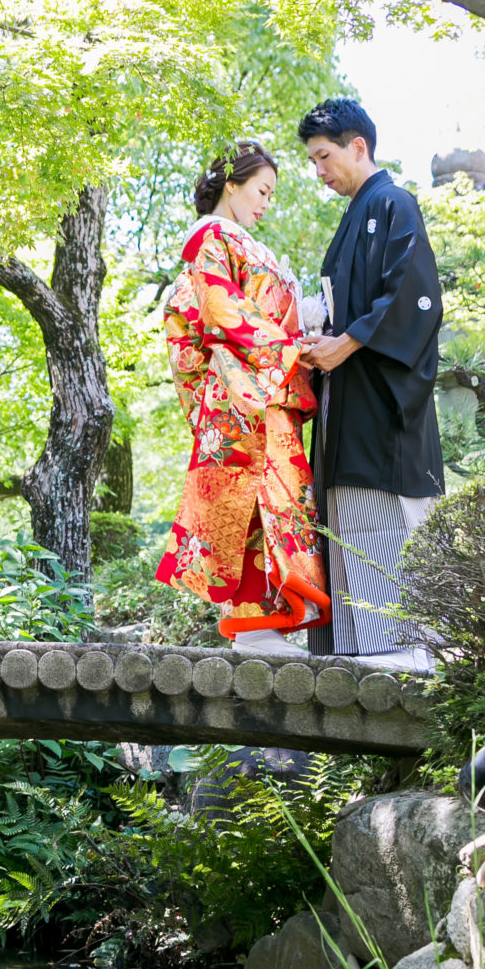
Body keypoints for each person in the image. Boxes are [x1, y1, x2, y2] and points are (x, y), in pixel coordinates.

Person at [155, 142, 331, 642]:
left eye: (271, 195)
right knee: (259, 506)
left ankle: (262, 629)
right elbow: (221, 307)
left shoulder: (237, 240)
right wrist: (290, 349)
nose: (265, 203)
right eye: (261, 190)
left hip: (263, 389)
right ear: (231, 184)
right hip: (249, 394)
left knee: (267, 507)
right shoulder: (210, 237)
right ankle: (256, 630)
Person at [296, 98, 444, 661]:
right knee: (346, 530)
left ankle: (406, 661)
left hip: (381, 406)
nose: (319, 171)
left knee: (387, 527)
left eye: (324, 156)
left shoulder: (393, 202)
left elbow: (414, 295)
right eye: (313, 160)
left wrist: (348, 341)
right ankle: (355, 665)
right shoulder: (356, 211)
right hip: (346, 401)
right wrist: (320, 338)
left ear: (359, 146)